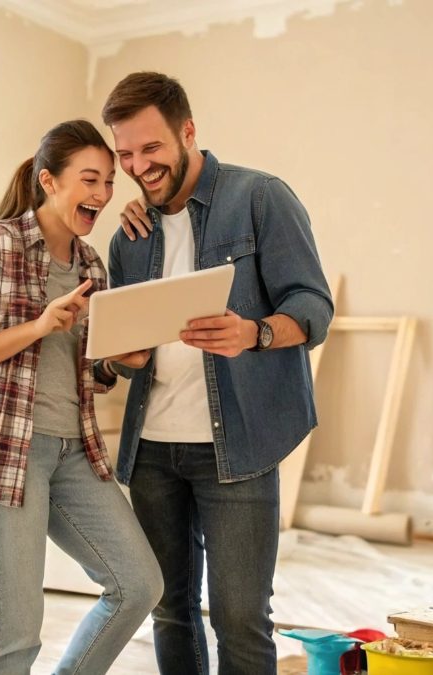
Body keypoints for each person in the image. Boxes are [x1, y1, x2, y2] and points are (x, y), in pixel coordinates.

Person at [97, 72, 334, 673]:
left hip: (240, 447)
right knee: (170, 611)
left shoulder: (259, 197)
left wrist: (254, 333)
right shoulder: (130, 235)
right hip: (152, 451)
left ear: (188, 132)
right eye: (125, 155)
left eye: (151, 149)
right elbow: (124, 349)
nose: (138, 167)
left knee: (240, 618)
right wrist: (122, 359)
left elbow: (313, 306)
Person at [0, 119, 162, 674]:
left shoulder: (91, 266)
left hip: (73, 451)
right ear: (48, 181)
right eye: (90, 180)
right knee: (14, 633)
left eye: (109, 182)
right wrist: (39, 325)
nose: (103, 194)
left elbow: (87, 374)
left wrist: (120, 360)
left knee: (137, 584)